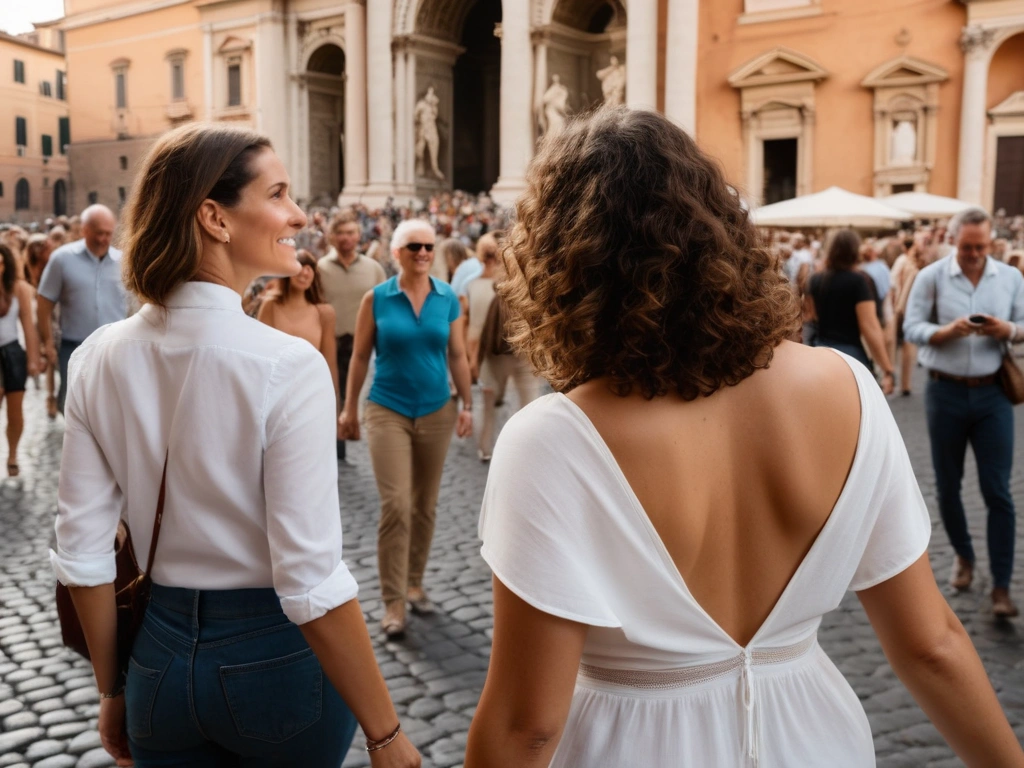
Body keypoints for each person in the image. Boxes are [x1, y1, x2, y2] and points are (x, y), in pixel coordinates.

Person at [464, 108, 1024, 768]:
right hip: (815, 741)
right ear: (720, 232)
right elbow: (931, 644)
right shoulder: (848, 387)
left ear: (564, 261)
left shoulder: (550, 441)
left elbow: (527, 724)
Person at [51, 123, 420, 767]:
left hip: (157, 655)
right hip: (273, 653)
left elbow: (83, 557)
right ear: (215, 217)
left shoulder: (95, 359)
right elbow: (310, 581)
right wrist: (386, 735)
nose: (299, 214)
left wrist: (114, 687)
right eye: (278, 194)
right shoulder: (288, 364)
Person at [338, 219, 474, 639]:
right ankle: (393, 601)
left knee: (425, 505)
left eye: (429, 247)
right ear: (396, 252)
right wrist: (349, 410)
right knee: (395, 505)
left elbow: (456, 354)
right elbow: (360, 357)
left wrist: (468, 404)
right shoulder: (376, 298)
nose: (423, 253)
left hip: (437, 410)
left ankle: (415, 583)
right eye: (414, 246)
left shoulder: (447, 296)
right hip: (387, 409)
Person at [903, 207, 1024, 619]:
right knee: (947, 486)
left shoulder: (1009, 277)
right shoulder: (931, 276)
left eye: (981, 246)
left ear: (990, 243)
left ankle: (1003, 587)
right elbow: (911, 328)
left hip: (992, 395)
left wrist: (1005, 329)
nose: (974, 253)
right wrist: (946, 332)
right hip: (944, 392)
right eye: (967, 246)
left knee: (998, 492)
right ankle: (963, 556)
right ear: (953, 240)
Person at [37, 204, 127, 415]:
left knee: (111, 406)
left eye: (108, 233)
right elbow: (44, 303)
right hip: (73, 346)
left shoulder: (122, 262)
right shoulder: (62, 259)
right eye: (99, 233)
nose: (104, 239)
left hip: (112, 348)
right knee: (71, 404)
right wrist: (47, 343)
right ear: (85, 230)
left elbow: (132, 307)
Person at [318, 209, 387, 461]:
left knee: (358, 389)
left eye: (351, 233)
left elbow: (384, 304)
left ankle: (352, 430)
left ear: (359, 235)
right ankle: (335, 442)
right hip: (330, 339)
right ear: (331, 237)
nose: (346, 238)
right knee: (330, 391)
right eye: (340, 233)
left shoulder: (374, 269)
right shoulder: (320, 269)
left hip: (363, 342)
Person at [464, 234, 539, 460]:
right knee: (529, 404)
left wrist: (472, 360)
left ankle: (485, 448)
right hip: (522, 352)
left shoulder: (474, 286)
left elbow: (474, 330)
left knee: (489, 404)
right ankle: (527, 450)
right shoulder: (521, 284)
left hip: (492, 354)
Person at [806, 230, 895, 391]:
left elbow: (812, 316)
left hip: (819, 352)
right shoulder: (858, 281)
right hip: (849, 355)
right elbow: (870, 327)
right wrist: (887, 369)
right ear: (855, 251)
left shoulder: (816, 279)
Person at [258, 249, 340, 418]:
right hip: (275, 395)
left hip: (310, 395)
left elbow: (329, 364)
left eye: (310, 267)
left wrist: (334, 407)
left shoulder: (324, 313)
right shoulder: (270, 305)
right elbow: (259, 357)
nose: (305, 272)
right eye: (301, 265)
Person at [0, 244, 42, 475]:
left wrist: (33, 359)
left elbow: (28, 326)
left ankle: (13, 454)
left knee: (15, 412)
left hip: (13, 351)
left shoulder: (18, 288)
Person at [890, 234, 929, 395]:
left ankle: (894, 379)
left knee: (896, 345)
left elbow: (894, 284)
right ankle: (906, 383)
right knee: (908, 346)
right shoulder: (921, 269)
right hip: (915, 309)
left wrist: (897, 305)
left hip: (902, 307)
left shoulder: (904, 263)